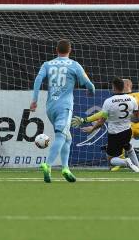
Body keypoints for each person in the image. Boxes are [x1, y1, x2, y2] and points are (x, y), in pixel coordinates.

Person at [31, 39, 95, 183]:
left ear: (56, 50)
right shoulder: (74, 65)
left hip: (50, 107)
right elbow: (87, 83)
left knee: (67, 137)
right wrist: (91, 90)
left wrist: (34, 101)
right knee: (61, 136)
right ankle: (48, 164)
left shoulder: (47, 64)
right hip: (64, 107)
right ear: (70, 50)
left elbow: (38, 80)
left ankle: (65, 168)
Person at [72, 77, 139, 172]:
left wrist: (92, 129)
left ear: (114, 87)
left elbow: (101, 121)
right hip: (128, 131)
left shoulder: (109, 101)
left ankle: (126, 162)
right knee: (128, 146)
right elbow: (138, 116)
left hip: (115, 134)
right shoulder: (132, 99)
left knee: (110, 159)